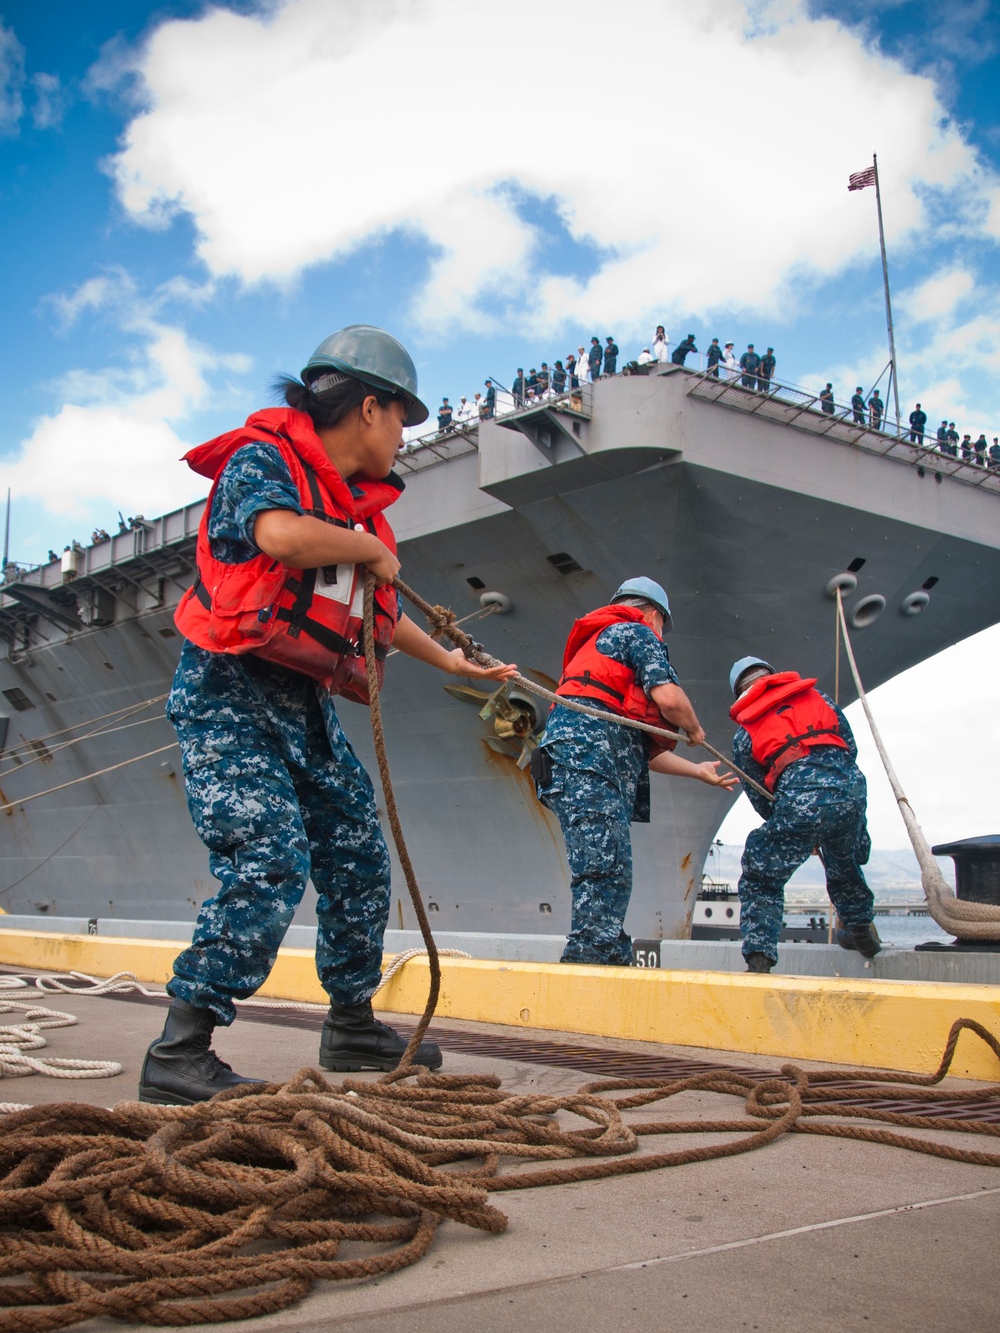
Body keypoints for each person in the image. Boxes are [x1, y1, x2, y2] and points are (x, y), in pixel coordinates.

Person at [137, 325, 518, 1105]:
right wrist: (363, 545)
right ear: (369, 407)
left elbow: (376, 615)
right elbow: (276, 534)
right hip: (229, 698)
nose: (405, 438)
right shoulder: (263, 462)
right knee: (270, 858)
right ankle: (180, 1049)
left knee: (358, 854)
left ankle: (350, 1023)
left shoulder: (355, 516)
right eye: (402, 419)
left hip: (303, 710)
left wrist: (452, 660)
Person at [532, 578, 734, 966]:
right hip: (587, 764)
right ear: (654, 615)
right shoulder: (636, 631)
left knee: (608, 865)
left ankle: (605, 952)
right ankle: (591, 963)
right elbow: (670, 699)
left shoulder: (602, 648)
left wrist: (697, 771)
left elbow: (644, 754)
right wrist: (692, 728)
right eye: (662, 626)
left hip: (578, 764)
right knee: (605, 867)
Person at [728, 656, 878, 974]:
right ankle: (861, 932)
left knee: (761, 874)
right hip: (850, 788)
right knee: (844, 864)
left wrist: (792, 822)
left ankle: (759, 957)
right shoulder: (817, 698)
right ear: (773, 676)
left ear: (739, 693)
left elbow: (758, 794)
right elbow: (848, 745)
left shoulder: (745, 732)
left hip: (800, 796)